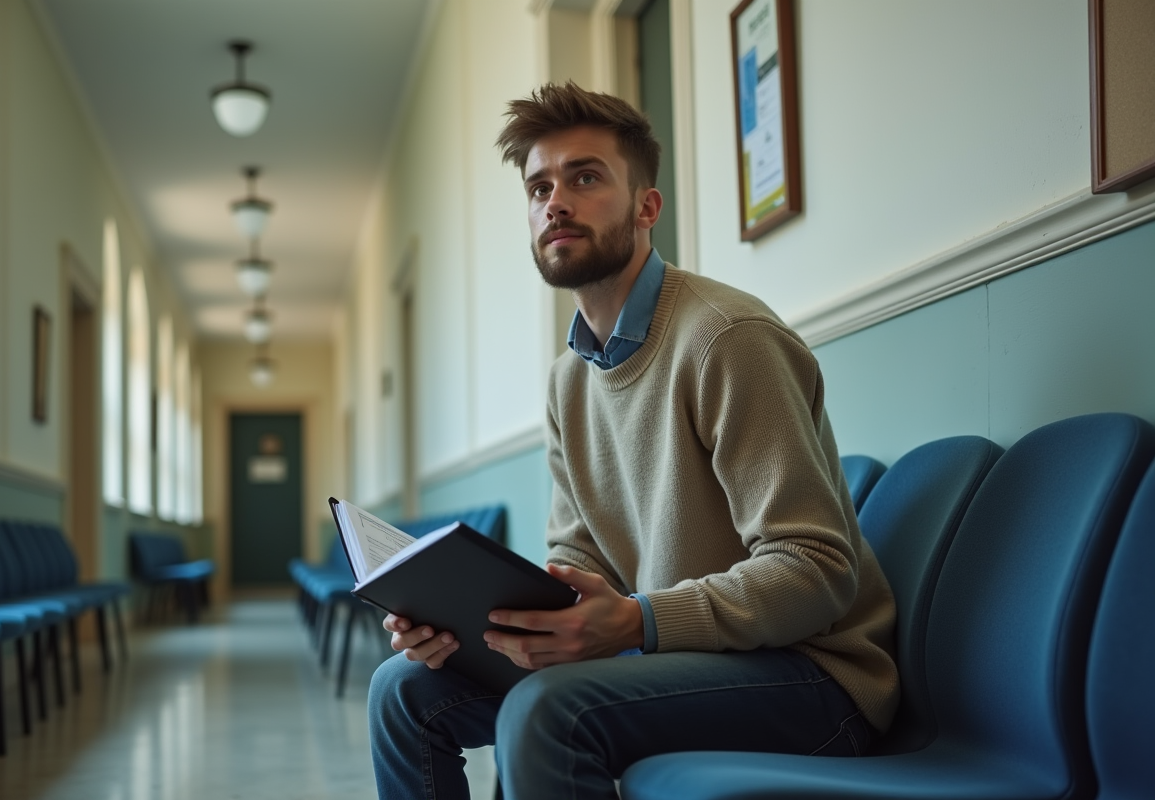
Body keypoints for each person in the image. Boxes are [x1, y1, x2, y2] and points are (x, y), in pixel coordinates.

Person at [368, 82, 898, 800]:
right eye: (539, 187)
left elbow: (815, 570)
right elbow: (578, 556)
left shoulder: (727, 339)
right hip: (668, 660)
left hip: (809, 678)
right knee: (402, 688)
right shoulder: (568, 380)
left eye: (586, 178)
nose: (556, 201)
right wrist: (480, 627)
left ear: (647, 206)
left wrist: (639, 620)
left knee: (548, 710)